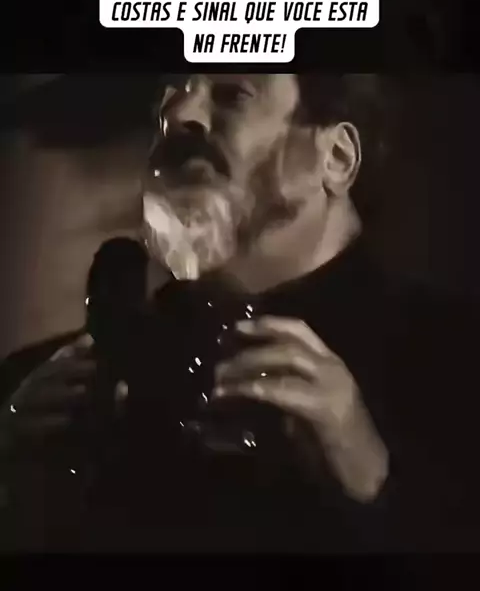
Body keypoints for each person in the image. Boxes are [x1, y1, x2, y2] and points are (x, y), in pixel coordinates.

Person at [1, 73, 478, 553]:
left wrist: (377, 484)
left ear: (335, 157)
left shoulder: (455, 366)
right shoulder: (37, 394)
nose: (176, 115)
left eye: (233, 95)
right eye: (170, 95)